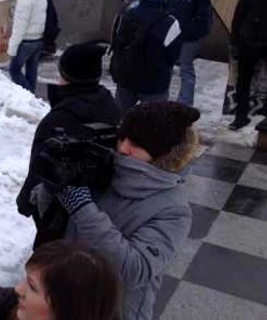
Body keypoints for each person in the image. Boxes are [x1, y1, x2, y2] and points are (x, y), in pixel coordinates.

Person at [52, 101, 198, 320]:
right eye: (122, 137)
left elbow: (134, 270)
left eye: (137, 144)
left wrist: (83, 208)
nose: (122, 148)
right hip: (71, 298)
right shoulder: (108, 171)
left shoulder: (174, 211)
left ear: (163, 155)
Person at [16, 42, 120, 247]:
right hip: (98, 203)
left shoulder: (59, 118)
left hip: (60, 208)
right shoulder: (110, 105)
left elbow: (40, 167)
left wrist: (25, 203)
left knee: (53, 258)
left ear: (67, 76)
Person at [111, 0, 182, 116]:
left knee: (117, 121)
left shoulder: (126, 13)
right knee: (152, 127)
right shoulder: (170, 22)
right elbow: (173, 56)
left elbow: (115, 41)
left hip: (125, 78)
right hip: (154, 84)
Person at [166, 0, 213, 106]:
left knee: (185, 68)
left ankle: (185, 103)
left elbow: (203, 17)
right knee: (166, 65)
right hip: (173, 33)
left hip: (188, 36)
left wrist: (187, 31)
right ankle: (161, 97)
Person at [228, 0, 267, 130]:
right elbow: (238, 17)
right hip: (248, 43)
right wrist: (235, 42)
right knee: (243, 82)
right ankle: (241, 116)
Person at [8, 0, 48, 93]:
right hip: (38, 39)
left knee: (14, 70)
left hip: (26, 41)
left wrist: (12, 47)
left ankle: (29, 94)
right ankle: (32, 98)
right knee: (32, 71)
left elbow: (20, 26)